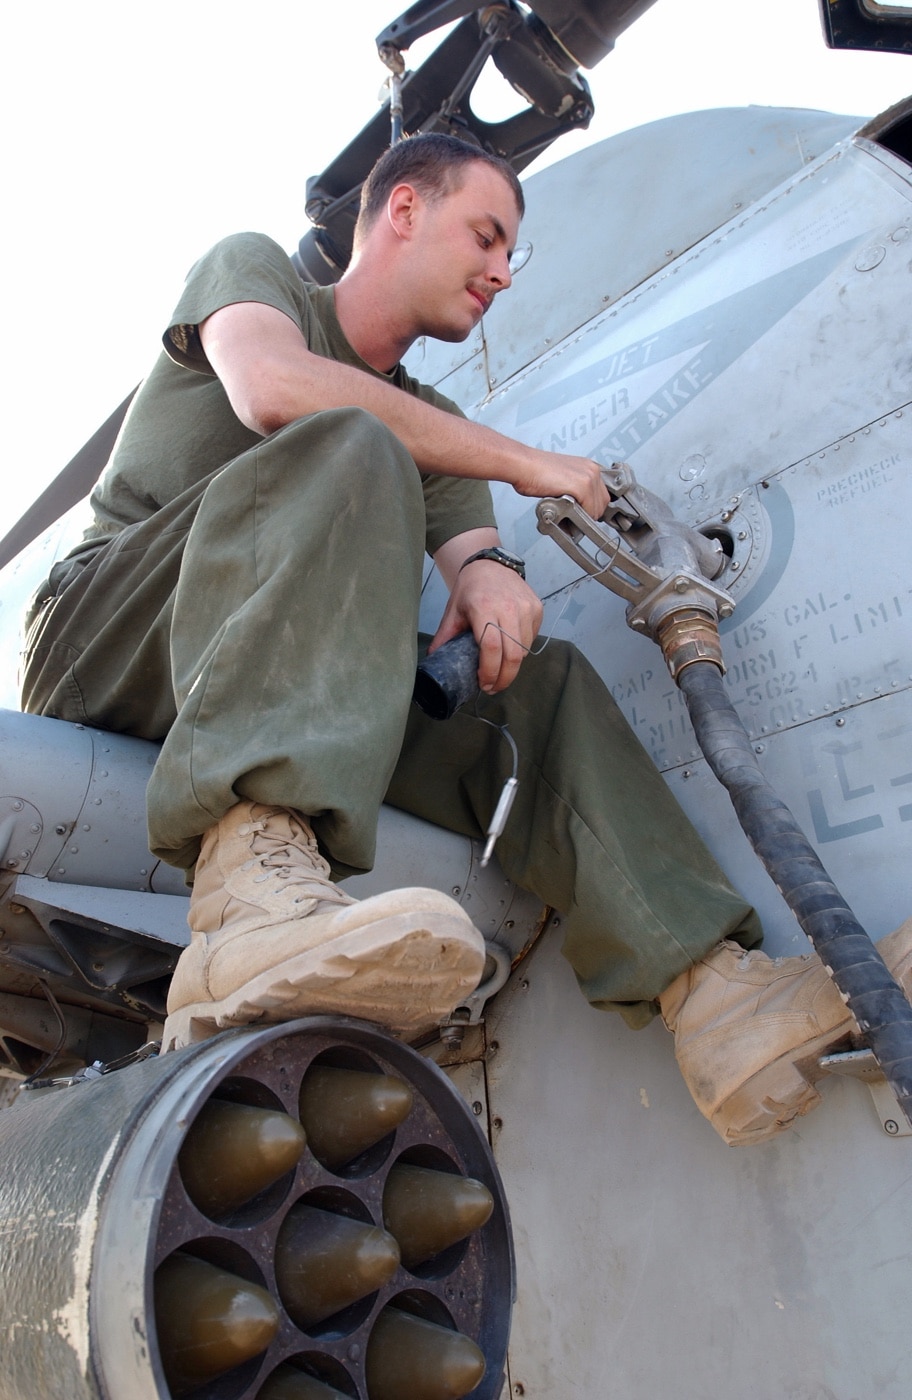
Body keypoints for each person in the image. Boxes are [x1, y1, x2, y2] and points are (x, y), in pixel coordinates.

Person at [21, 134, 911, 1146]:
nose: (501, 272)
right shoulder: (258, 275)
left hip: (265, 683)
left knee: (539, 687)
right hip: (112, 640)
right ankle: (249, 905)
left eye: (512, 255)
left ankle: (715, 998)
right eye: (486, 236)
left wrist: (495, 586)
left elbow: (480, 562)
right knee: (351, 439)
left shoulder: (430, 424)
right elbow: (273, 388)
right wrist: (527, 461)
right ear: (402, 208)